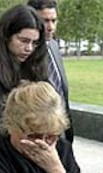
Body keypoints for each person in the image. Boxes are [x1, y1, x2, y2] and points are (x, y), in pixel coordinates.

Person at [0, 4, 48, 118]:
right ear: (7, 35)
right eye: (23, 41)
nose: (29, 48)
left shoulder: (33, 62)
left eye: (34, 43)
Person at [27, 0, 74, 143]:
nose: (50, 27)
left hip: (61, 134)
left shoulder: (53, 45)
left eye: (54, 20)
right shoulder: (25, 54)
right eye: (45, 21)